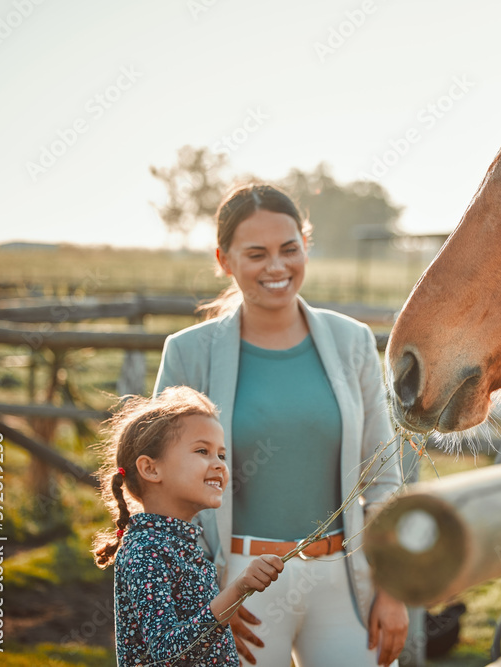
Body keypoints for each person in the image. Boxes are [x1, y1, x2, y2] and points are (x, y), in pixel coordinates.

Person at [153, 182, 408, 667]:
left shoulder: (352, 342)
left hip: (345, 580)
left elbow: (383, 480)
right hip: (238, 585)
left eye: (289, 249)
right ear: (225, 260)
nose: (276, 267)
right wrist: (202, 602)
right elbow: (162, 491)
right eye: (256, 254)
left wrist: (392, 590)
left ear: (305, 246)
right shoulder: (188, 352)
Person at [92, 385, 284, 666]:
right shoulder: (146, 551)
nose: (219, 464)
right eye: (202, 450)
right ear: (151, 469)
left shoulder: (179, 543)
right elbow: (169, 652)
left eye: (222, 455)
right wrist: (238, 588)